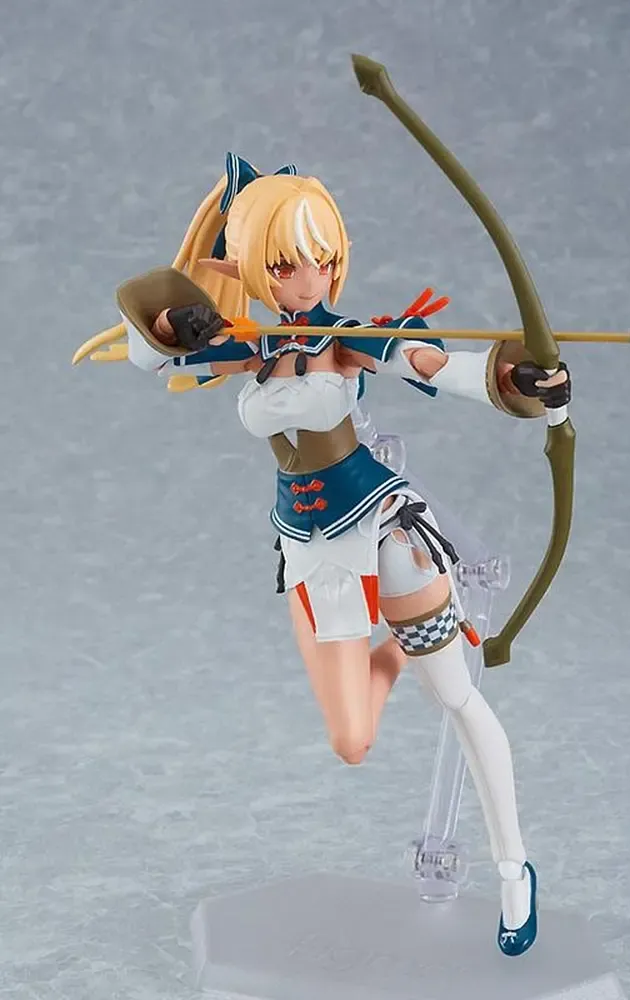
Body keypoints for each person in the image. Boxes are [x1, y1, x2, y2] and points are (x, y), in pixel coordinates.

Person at [75, 153, 571, 956]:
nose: (308, 278)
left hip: (384, 528)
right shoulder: (249, 342)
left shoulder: (348, 339)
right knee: (351, 741)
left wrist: (518, 377)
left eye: (322, 259)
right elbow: (153, 351)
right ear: (248, 266)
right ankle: (407, 643)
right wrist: (173, 324)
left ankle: (515, 871)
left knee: (458, 697)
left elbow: (433, 364)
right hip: (312, 549)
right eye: (284, 264)